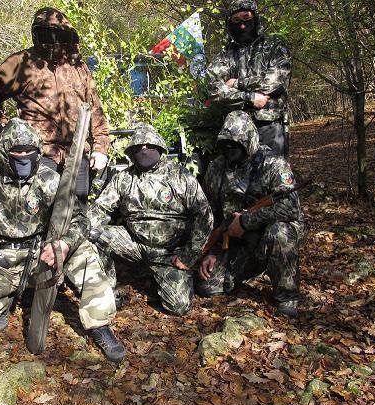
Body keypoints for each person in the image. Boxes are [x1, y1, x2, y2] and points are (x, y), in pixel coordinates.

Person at [0, 119, 125, 362]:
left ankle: (99, 325)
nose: (23, 157)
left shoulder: (50, 179)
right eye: (16, 152)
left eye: (29, 152)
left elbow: (81, 220)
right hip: (0, 260)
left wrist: (64, 245)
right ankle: (4, 302)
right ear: (3, 152)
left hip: (43, 254)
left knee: (85, 252)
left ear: (38, 151)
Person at [0, 7, 110, 200]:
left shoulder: (78, 67)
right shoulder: (22, 63)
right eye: (46, 34)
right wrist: (5, 127)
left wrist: (100, 149)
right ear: (36, 34)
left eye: (57, 34)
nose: (53, 40)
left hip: (78, 155)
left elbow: (95, 109)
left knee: (77, 215)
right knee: (39, 215)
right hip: (39, 156)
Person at [88, 123, 213, 316]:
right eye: (138, 148)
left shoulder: (179, 175)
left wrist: (189, 254)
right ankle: (107, 291)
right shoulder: (124, 178)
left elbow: (204, 215)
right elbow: (100, 208)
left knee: (179, 307)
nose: (144, 151)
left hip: (169, 251)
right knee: (93, 234)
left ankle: (164, 278)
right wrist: (82, 228)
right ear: (131, 152)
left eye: (150, 147)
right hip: (133, 242)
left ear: (160, 148)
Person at [198, 110, 306, 318]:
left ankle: (287, 296)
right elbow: (210, 214)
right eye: (225, 142)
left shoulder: (274, 164)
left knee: (280, 232)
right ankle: (251, 269)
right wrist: (210, 252)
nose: (229, 147)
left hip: (269, 235)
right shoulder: (216, 168)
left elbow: (291, 207)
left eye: (235, 142)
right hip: (236, 240)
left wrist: (246, 221)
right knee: (207, 287)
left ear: (249, 140)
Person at [206, 0, 292, 157]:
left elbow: (272, 82)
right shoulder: (225, 55)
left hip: (269, 126)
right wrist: (248, 97)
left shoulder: (275, 47)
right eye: (236, 21)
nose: (242, 26)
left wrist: (237, 83)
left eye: (246, 18)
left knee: (271, 175)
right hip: (234, 133)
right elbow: (213, 89)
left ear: (255, 18)